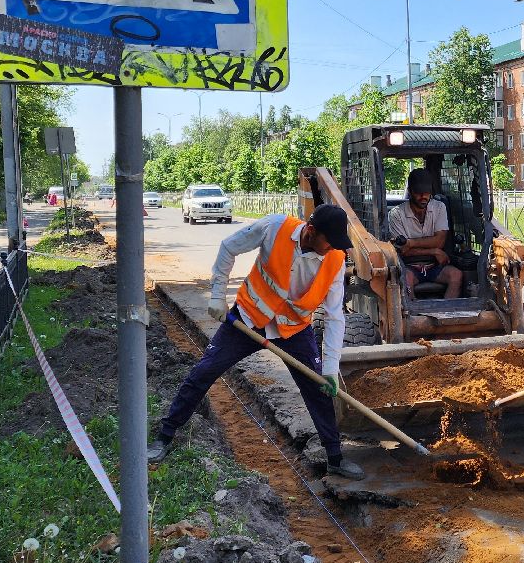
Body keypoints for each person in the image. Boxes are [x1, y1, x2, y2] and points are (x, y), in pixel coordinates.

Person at [148, 203, 365, 480]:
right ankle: (164, 437)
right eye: (329, 241)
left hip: (294, 329)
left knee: (319, 389)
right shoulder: (274, 228)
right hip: (248, 319)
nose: (333, 248)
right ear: (311, 231)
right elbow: (229, 246)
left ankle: (334, 458)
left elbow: (335, 316)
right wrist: (217, 295)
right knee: (204, 371)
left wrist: (331, 368)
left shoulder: (335, 259)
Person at [388, 169, 463, 299]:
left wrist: (410, 243)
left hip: (434, 266)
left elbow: (439, 241)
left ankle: (448, 313)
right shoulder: (396, 214)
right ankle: (412, 315)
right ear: (410, 192)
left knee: (456, 275)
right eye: (419, 193)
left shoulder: (439, 207)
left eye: (427, 193)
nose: (423, 197)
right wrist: (434, 251)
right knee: (405, 281)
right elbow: (402, 251)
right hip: (409, 267)